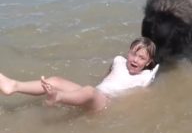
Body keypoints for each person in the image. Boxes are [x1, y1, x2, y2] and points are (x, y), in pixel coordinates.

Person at [0, 37, 159, 112]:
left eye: (141, 58)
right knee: (56, 80)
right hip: (96, 92)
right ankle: (13, 85)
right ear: (128, 52)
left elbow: (143, 97)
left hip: (107, 103)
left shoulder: (145, 77)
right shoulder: (118, 61)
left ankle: (58, 97)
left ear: (148, 62)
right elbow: (107, 77)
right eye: (133, 54)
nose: (135, 60)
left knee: (89, 91)